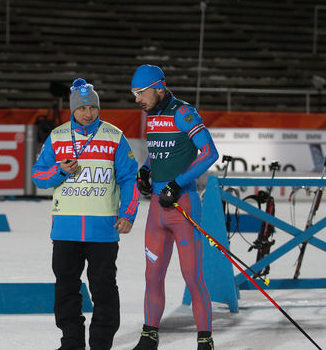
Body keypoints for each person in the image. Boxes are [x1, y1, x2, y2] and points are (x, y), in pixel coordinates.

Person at [32, 78, 140, 350]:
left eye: (92, 107)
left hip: (103, 229)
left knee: (103, 290)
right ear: (73, 110)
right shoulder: (57, 137)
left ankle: (101, 344)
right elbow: (38, 177)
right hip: (65, 230)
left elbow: (129, 179)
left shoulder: (114, 136)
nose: (88, 113)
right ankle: (71, 343)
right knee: (66, 288)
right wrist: (60, 171)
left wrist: (128, 213)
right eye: (82, 108)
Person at [129, 64, 219, 350]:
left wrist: (177, 183)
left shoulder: (183, 112)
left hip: (183, 206)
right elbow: (161, 153)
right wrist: (145, 170)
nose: (136, 99)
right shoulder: (152, 115)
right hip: (157, 209)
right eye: (133, 93)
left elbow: (209, 153)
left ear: (158, 87)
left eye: (140, 93)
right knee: (152, 274)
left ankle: (205, 340)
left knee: (192, 276)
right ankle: (149, 336)